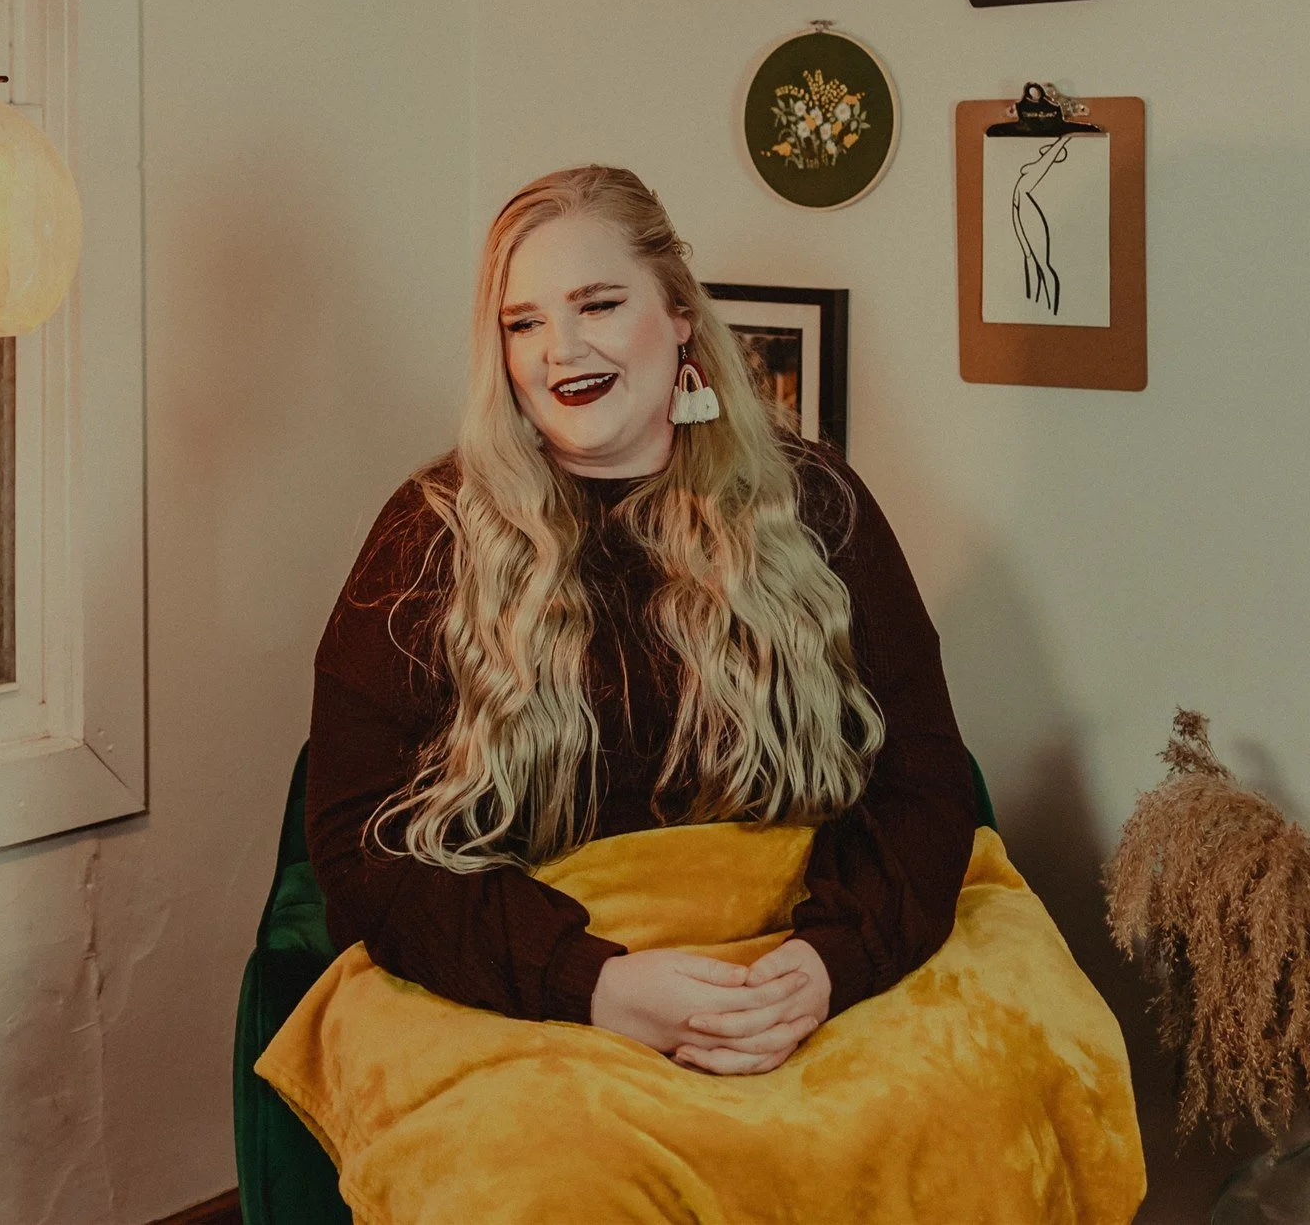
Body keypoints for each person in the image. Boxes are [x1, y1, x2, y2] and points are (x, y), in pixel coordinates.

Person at [305, 164, 979, 1077]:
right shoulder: (428, 536)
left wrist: (827, 966)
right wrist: (593, 985)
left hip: (794, 970)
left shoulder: (817, 505)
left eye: (599, 304)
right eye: (524, 323)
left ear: (679, 313)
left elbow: (925, 783)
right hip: (540, 998)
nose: (560, 350)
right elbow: (358, 849)